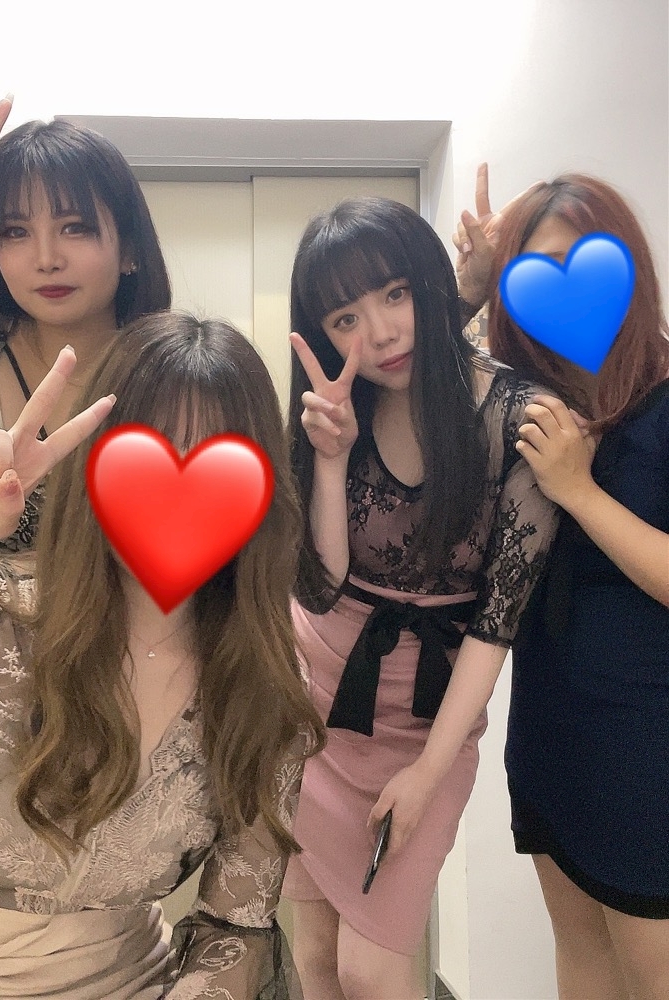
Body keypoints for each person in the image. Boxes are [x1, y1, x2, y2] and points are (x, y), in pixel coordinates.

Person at [0, 309, 324, 999]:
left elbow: (236, 923)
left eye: (217, 461)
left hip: (130, 983)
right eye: (150, 452)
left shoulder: (266, 677)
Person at [280, 195, 560, 1000]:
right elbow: (320, 585)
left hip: (424, 719)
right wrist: (329, 459)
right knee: (316, 955)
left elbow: (497, 624)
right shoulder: (341, 408)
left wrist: (430, 772)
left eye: (395, 294)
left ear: (431, 285)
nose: (379, 333)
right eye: (346, 318)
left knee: (372, 969)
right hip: (313, 704)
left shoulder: (519, 417)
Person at [460, 172, 669, 1000]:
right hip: (551, 727)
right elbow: (413, 388)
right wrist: (465, 290)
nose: (566, 284)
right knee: (581, 959)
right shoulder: (532, 404)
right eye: (535, 269)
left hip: (647, 743)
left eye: (585, 260)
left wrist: (579, 491)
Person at [0, 70, 171, 551]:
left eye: (75, 227)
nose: (46, 258)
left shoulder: (174, 382)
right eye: (15, 231)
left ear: (130, 249)